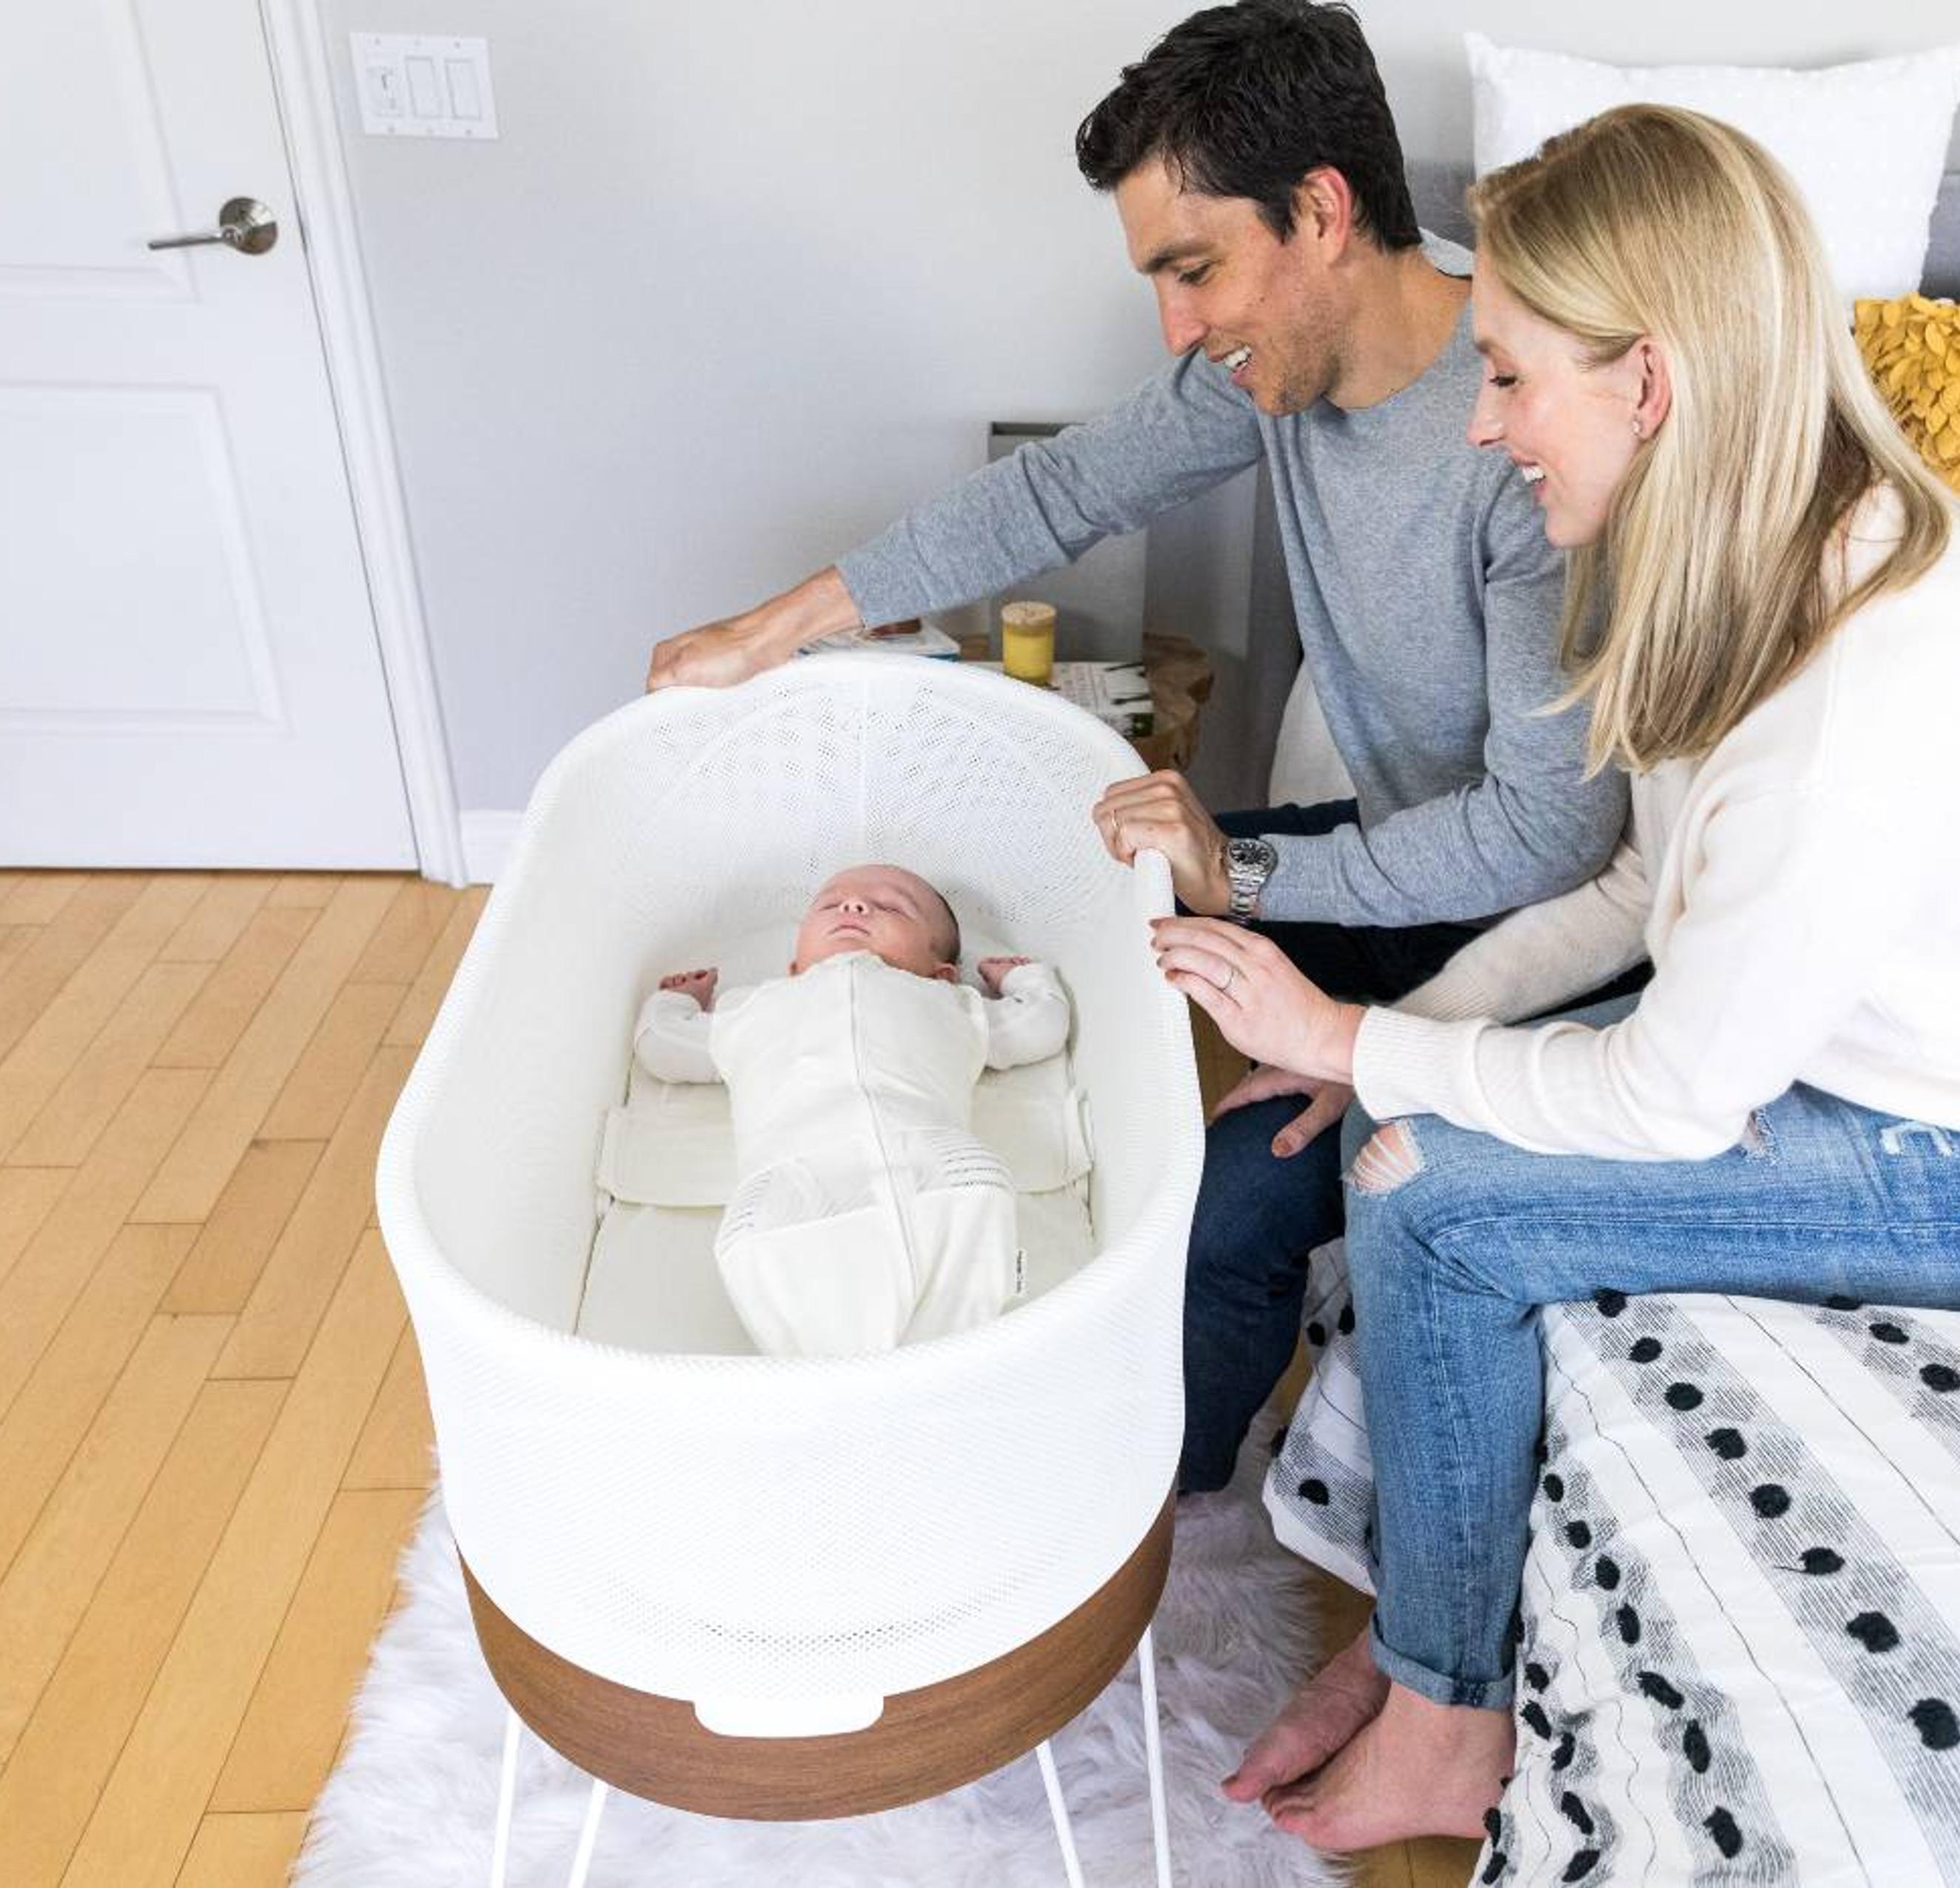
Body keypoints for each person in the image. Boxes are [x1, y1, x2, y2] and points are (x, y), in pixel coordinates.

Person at [1149, 106, 1960, 1849]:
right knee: (1399, 1125)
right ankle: (1428, 1622)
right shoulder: (1717, 547)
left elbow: (1673, 1094)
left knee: (1431, 1199)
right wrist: (1394, 1041)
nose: (1483, 422)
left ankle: (1445, 1716)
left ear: (1647, 382)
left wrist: (1360, 1040)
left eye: (1508, 375)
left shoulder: (1859, 696)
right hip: (1869, 1040)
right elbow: (1636, 884)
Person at [643, 1, 1627, 1485]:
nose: (1177, 327)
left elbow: (1552, 836)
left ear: (1322, 212)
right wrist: (769, 630)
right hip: (1399, 856)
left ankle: (1133, 1507)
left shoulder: (1522, 432)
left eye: (1194, 268)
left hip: (1534, 934)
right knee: (1089, 880)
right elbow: (1060, 492)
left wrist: (1264, 896)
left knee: (1221, 1215)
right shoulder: (1277, 371)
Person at [637, 864, 1068, 1354]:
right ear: (794, 966)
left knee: (972, 1233)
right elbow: (662, 1047)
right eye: (830, 903)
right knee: (778, 1274)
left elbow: (1040, 1025)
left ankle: (948, 1370)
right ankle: (840, 1383)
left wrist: (1023, 978)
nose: (854, 905)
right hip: (790, 1182)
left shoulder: (954, 1003)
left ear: (942, 973)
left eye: (892, 907)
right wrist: (676, 1003)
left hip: (935, 1165)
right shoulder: (748, 1008)